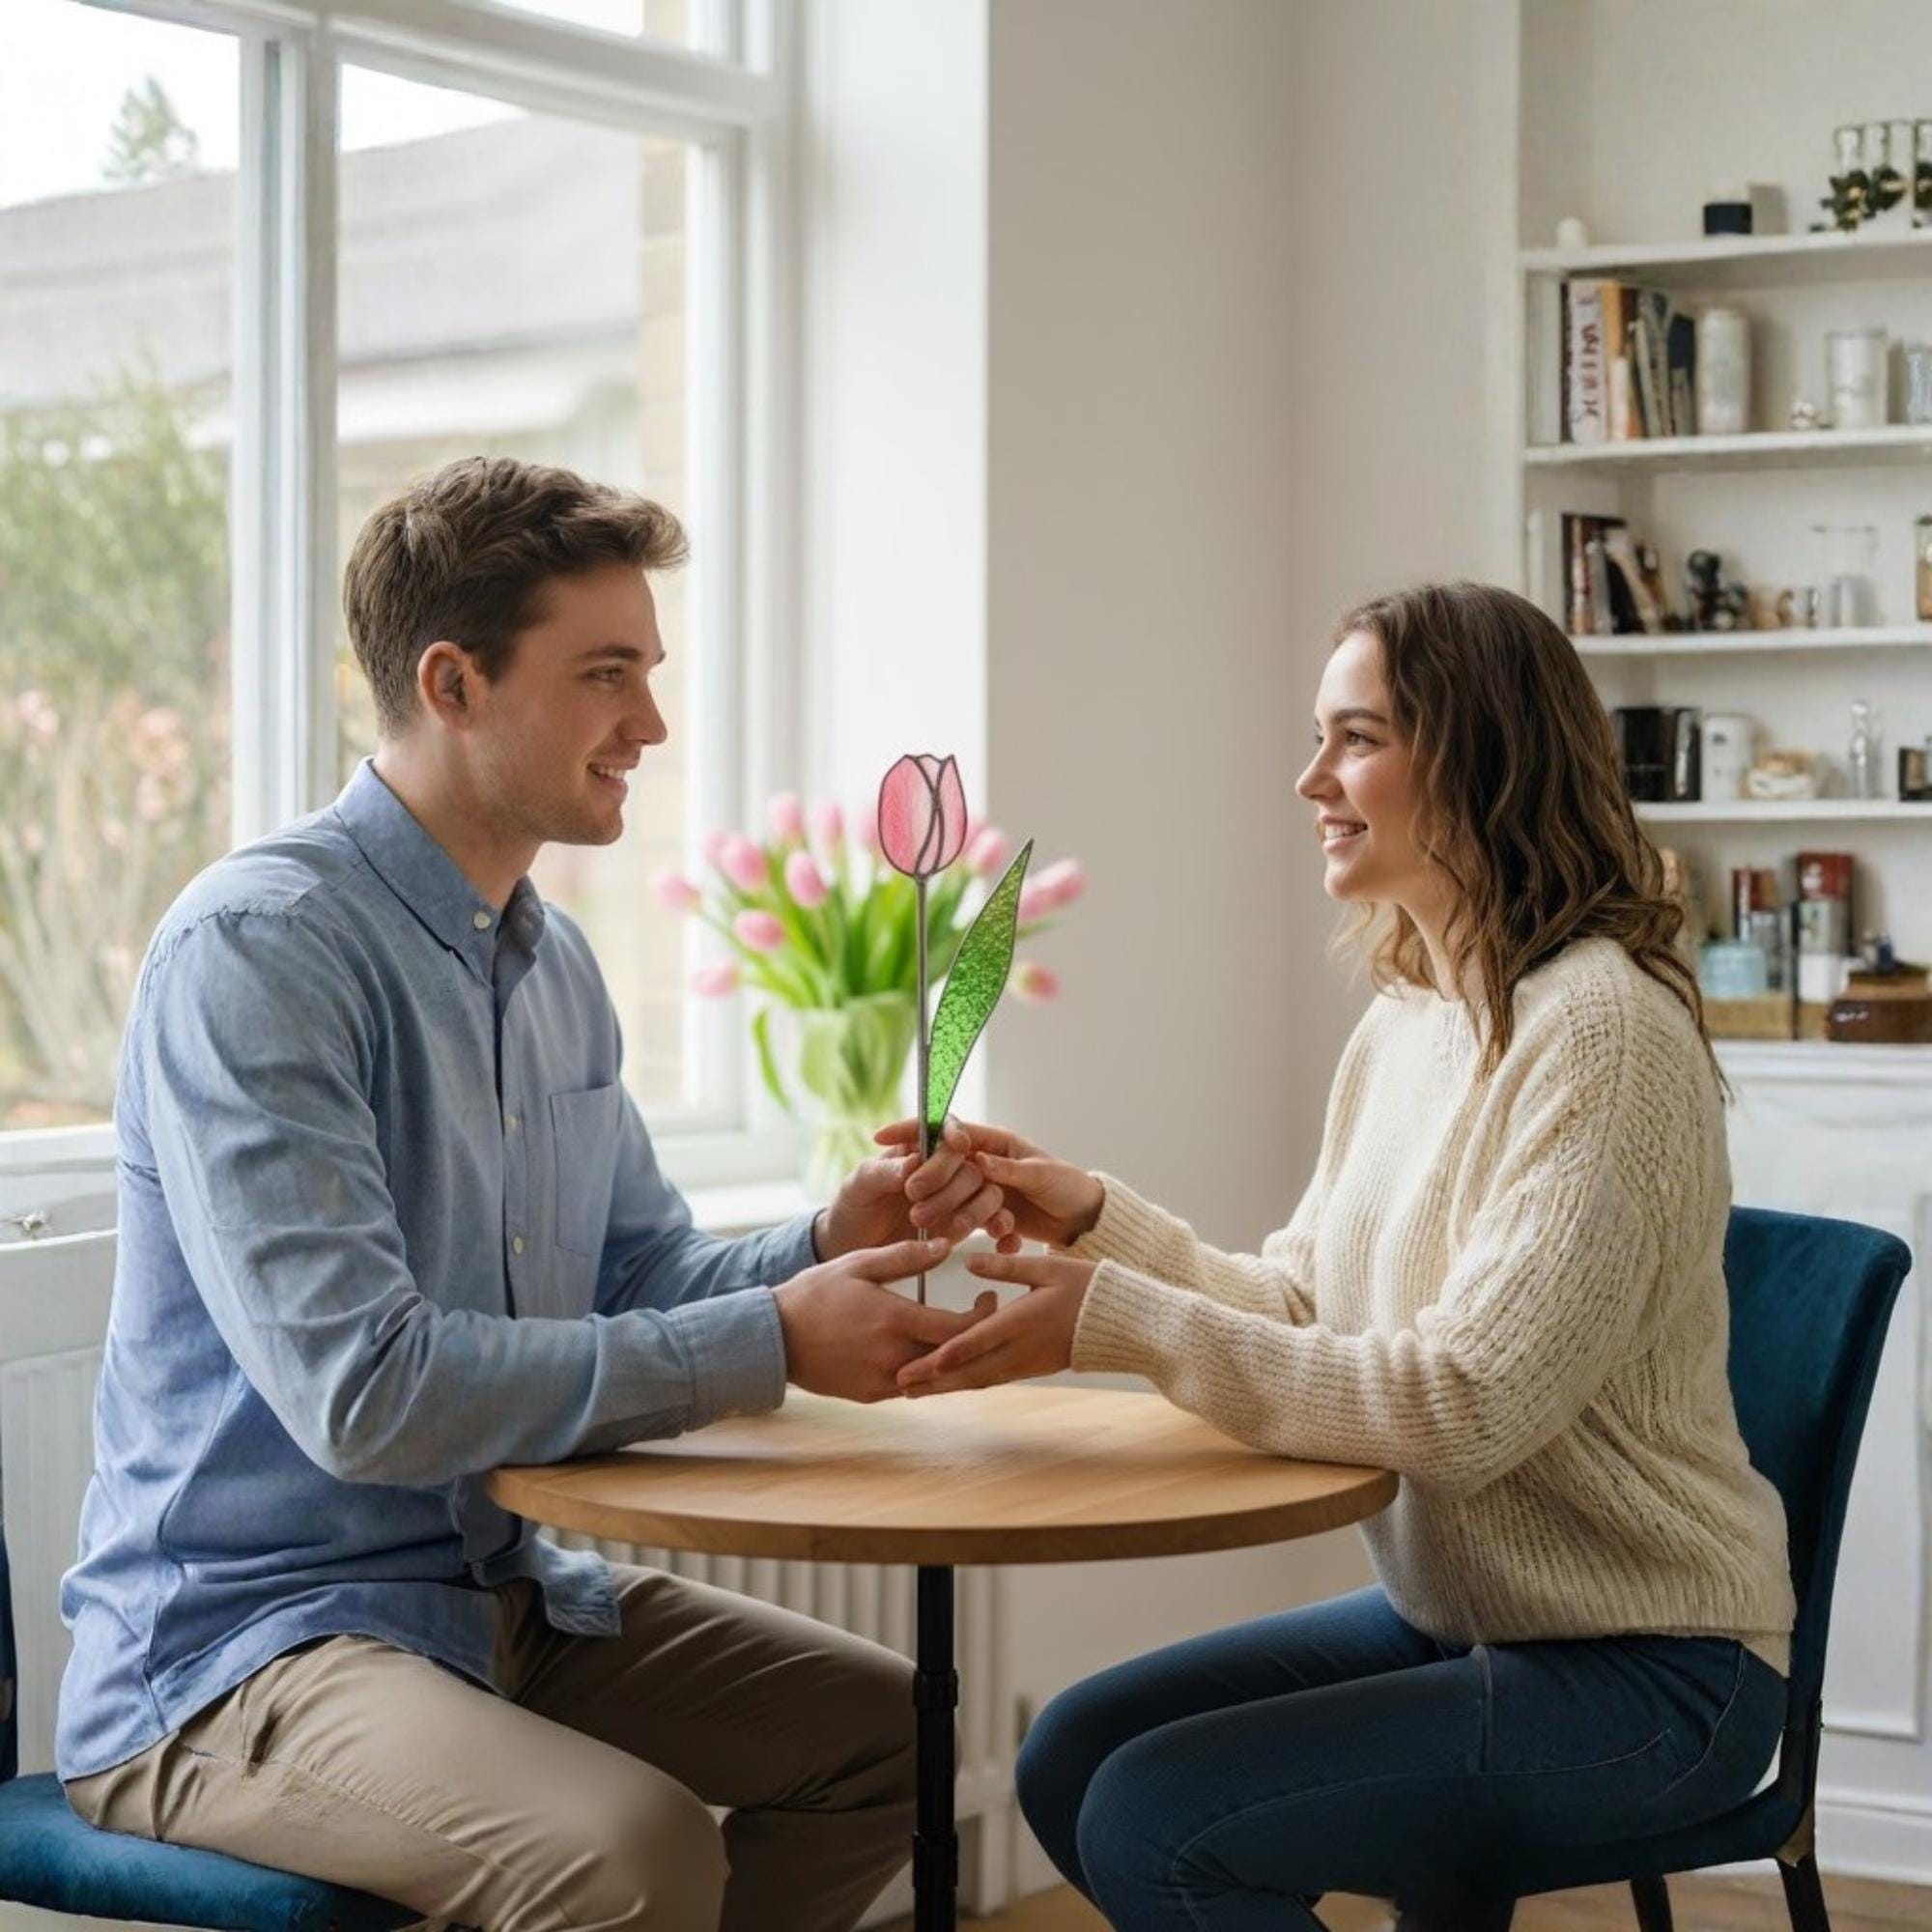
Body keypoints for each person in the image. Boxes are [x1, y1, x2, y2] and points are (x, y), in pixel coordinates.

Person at [57, 455, 1009, 1932]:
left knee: (905, 1734)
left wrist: (820, 1245)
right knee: (625, 1852)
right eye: (607, 674)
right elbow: (366, 1394)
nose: (652, 724)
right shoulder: (259, 953)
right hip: (236, 1653)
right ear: (454, 682)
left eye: (649, 672)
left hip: (499, 1598)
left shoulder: (548, 962)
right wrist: (773, 1338)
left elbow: (635, 1279)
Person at [886, 582, 1798, 1930]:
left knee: (1158, 1820)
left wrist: (1118, 1321)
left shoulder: (1603, 1035)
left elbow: (1466, 1406)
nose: (1310, 777)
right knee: (1072, 1753)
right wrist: (1094, 1219)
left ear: (1482, 757)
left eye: (1357, 738)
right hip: (1463, 1619)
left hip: (1648, 1671)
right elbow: (1307, 1307)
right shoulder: (1412, 1019)